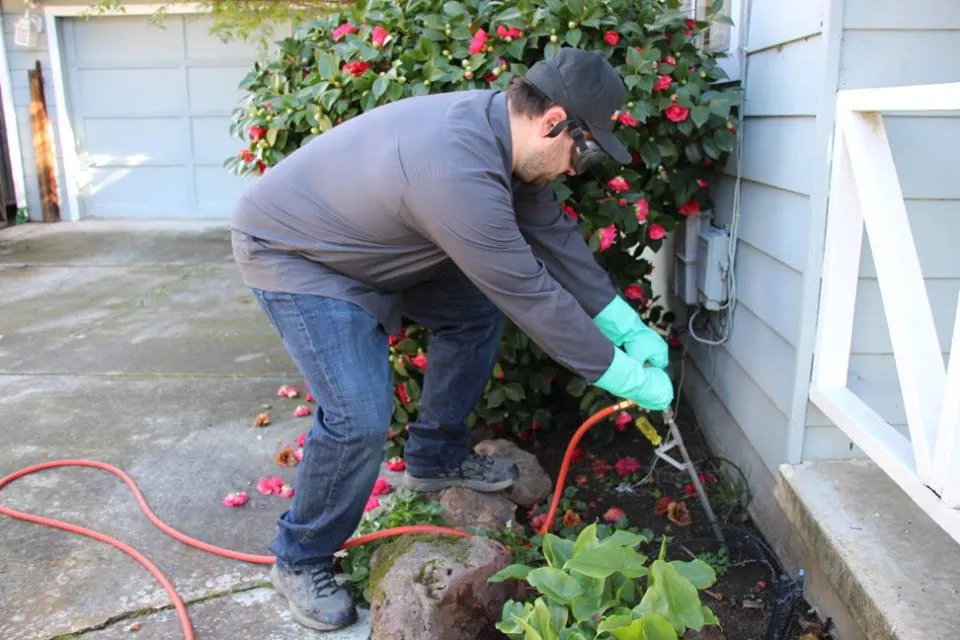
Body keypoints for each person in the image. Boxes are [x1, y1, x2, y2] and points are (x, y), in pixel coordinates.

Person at [230, 46, 674, 631]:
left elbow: (555, 241)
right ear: (553, 122)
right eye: (584, 152)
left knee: (472, 310)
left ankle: (434, 457)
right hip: (299, 256)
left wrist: (625, 324)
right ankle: (301, 555)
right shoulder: (455, 171)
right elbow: (530, 293)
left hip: (373, 248)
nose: (576, 168)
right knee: (359, 415)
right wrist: (620, 374)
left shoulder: (500, 138)